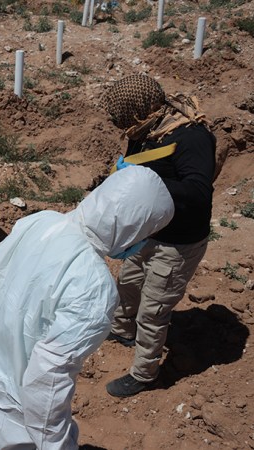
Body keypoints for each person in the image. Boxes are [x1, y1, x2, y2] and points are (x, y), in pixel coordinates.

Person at [0, 166, 175, 450]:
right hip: (22, 410)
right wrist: (57, 445)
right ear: (132, 230)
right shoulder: (94, 286)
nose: (144, 243)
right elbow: (47, 379)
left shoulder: (41, 221)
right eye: (147, 234)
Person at [101, 74, 216, 397]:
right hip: (151, 230)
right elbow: (137, 164)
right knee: (128, 283)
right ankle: (122, 330)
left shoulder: (192, 139)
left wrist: (146, 182)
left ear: (142, 110)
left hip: (180, 241)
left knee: (153, 310)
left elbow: (197, 192)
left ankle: (144, 373)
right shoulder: (146, 131)